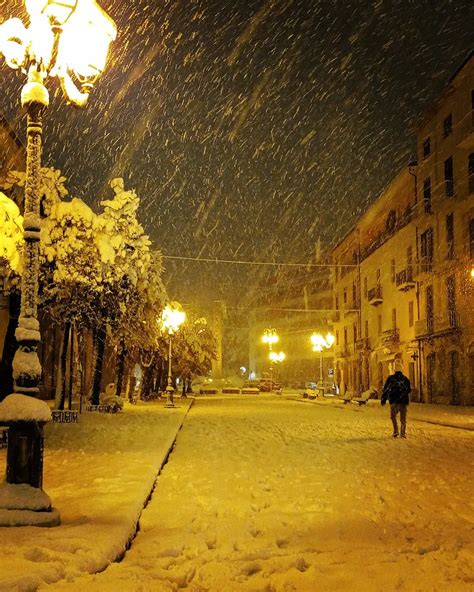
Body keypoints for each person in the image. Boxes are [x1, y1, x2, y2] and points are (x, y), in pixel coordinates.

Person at [381, 359, 411, 438]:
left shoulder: (391, 379)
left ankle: (396, 431)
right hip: (404, 402)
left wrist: (384, 399)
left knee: (393, 417)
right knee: (403, 419)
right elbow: (409, 390)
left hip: (394, 401)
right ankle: (403, 433)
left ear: (395, 370)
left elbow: (386, 389)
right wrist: (403, 393)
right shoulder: (405, 379)